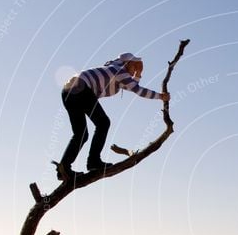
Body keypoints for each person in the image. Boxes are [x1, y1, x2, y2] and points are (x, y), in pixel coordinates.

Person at [56, 52, 170, 180]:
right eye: (134, 66)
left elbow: (130, 86)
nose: (135, 70)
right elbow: (138, 90)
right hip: (80, 88)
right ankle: (93, 162)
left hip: (68, 92)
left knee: (81, 134)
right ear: (127, 63)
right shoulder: (119, 71)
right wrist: (160, 96)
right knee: (103, 123)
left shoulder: (113, 69)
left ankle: (63, 169)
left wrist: (138, 74)